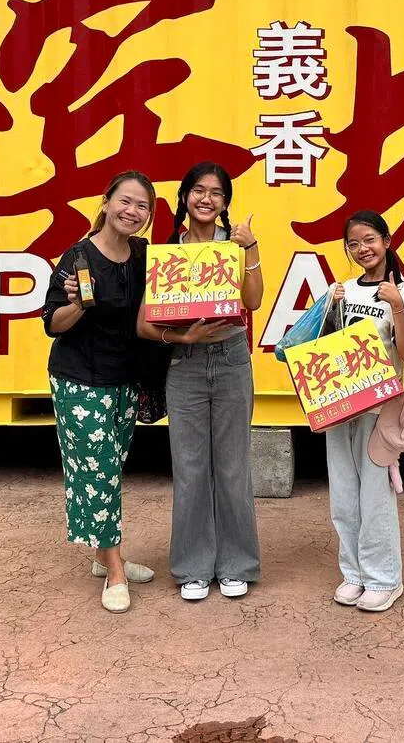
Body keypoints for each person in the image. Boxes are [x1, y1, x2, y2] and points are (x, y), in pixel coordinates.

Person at [136, 162, 264, 601]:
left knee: (232, 466)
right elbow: (145, 324)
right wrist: (181, 335)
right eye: (198, 190)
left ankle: (236, 565)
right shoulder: (168, 250)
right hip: (184, 364)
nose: (207, 199)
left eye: (217, 193)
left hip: (231, 358)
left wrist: (252, 250)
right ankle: (192, 566)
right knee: (190, 468)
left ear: (226, 203)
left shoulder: (234, 246)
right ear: (185, 197)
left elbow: (254, 300)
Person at [42, 171, 160, 614]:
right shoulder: (78, 257)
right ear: (107, 202)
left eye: (142, 206)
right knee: (98, 473)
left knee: (111, 468)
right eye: (125, 201)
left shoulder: (145, 254)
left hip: (125, 379)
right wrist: (76, 304)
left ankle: (102, 552)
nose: (132, 211)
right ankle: (113, 570)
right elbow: (51, 322)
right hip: (80, 380)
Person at [325, 211, 404, 614]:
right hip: (341, 408)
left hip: (380, 412)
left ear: (386, 240)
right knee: (344, 496)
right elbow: (326, 347)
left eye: (369, 239)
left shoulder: (401, 293)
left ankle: (384, 578)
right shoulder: (343, 290)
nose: (362, 248)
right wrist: (328, 310)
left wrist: (398, 306)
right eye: (353, 243)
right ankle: (353, 574)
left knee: (375, 495)